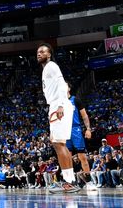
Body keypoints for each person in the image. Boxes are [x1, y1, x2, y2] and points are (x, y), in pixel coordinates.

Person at [36, 43, 79, 193]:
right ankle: (68, 180)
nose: (39, 53)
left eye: (42, 51)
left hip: (58, 105)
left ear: (49, 54)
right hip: (55, 105)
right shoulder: (46, 69)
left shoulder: (52, 65)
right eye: (38, 52)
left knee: (59, 145)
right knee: (58, 144)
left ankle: (70, 181)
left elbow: (62, 84)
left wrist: (60, 104)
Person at [66, 82, 97, 191]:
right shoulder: (59, 102)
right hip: (64, 131)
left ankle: (89, 182)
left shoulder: (75, 100)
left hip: (75, 129)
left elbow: (84, 116)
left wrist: (88, 129)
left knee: (82, 157)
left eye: (64, 85)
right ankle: (70, 182)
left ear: (69, 88)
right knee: (67, 158)